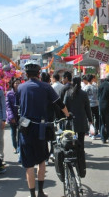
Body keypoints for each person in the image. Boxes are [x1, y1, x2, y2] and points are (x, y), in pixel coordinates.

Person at [16, 61, 70, 197]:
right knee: (41, 161)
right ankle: (40, 192)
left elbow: (18, 107)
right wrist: (68, 114)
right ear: (39, 74)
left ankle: (32, 194)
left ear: (26, 74)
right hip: (40, 129)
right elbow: (59, 103)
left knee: (28, 165)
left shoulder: (21, 88)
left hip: (25, 130)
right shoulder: (46, 87)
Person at [64, 76, 93, 178]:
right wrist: (90, 120)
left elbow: (64, 107)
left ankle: (72, 159)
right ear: (80, 83)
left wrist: (65, 117)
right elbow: (87, 109)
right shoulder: (83, 94)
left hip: (70, 123)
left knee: (70, 142)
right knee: (80, 144)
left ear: (72, 82)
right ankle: (81, 163)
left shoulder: (68, 94)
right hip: (81, 123)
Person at [6, 78, 21, 154]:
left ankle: (19, 146)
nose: (17, 85)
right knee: (13, 133)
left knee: (20, 133)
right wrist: (11, 117)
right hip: (12, 116)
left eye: (19, 83)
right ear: (13, 84)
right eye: (16, 83)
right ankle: (14, 146)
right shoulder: (9, 93)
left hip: (20, 116)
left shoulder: (21, 92)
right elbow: (8, 106)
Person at [83, 74, 99, 140]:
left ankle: (90, 132)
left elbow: (84, 97)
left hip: (88, 105)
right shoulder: (95, 87)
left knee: (89, 119)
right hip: (96, 104)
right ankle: (94, 133)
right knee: (96, 119)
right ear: (92, 79)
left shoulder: (85, 88)